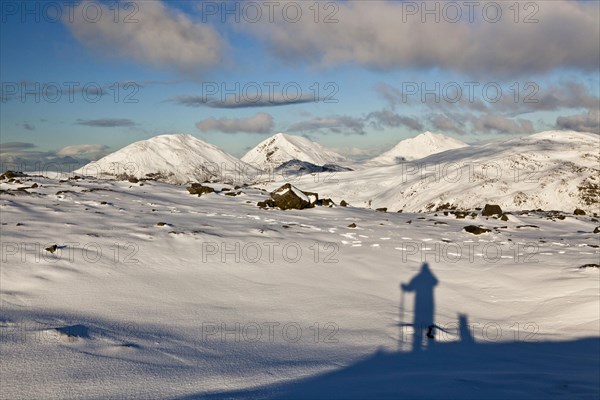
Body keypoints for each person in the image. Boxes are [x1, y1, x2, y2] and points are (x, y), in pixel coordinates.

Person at [401, 263, 438, 351]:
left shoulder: (418, 277)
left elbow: (410, 288)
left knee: (419, 319)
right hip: (429, 303)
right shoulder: (430, 277)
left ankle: (418, 341)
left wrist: (404, 287)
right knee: (429, 319)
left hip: (420, 303)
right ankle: (430, 340)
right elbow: (435, 282)